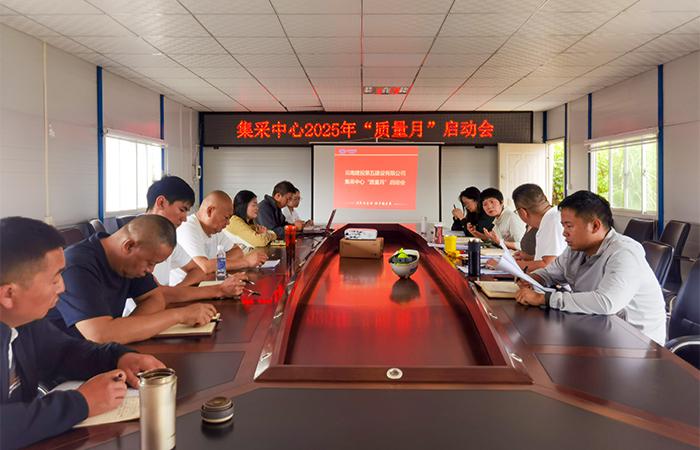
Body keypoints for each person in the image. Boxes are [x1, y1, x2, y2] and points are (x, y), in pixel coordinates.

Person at [0, 217, 164, 449]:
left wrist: (119, 357)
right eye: (54, 279)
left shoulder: (24, 322)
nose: (62, 287)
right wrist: (82, 402)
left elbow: (65, 352)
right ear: (8, 294)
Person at [514, 191, 667, 344]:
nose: (564, 233)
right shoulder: (576, 249)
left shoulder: (624, 252)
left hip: (636, 344)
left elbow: (605, 302)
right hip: (598, 330)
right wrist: (533, 278)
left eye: (569, 226)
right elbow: (551, 273)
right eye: (563, 226)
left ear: (595, 226)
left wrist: (543, 298)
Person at [47, 215, 218, 344]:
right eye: (150, 263)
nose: (150, 270)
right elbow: (100, 335)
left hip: (100, 354)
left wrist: (126, 331)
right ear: (128, 246)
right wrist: (178, 315)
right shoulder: (77, 265)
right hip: (64, 366)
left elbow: (155, 298)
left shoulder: (128, 263)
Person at [145, 176, 245, 299]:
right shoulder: (137, 239)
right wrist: (219, 290)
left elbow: (198, 271)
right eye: (182, 210)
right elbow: (153, 296)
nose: (184, 218)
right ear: (161, 203)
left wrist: (176, 291)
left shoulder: (167, 237)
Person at [173, 190, 268, 284]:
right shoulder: (188, 227)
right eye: (226, 218)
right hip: (187, 288)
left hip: (208, 282)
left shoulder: (215, 229)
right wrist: (245, 262)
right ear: (210, 211)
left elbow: (237, 252)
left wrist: (214, 265)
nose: (228, 223)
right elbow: (205, 267)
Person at [510, 183, 567, 271]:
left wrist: (510, 264)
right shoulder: (552, 215)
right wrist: (529, 257)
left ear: (523, 212)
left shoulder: (551, 220)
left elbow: (548, 265)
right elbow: (556, 258)